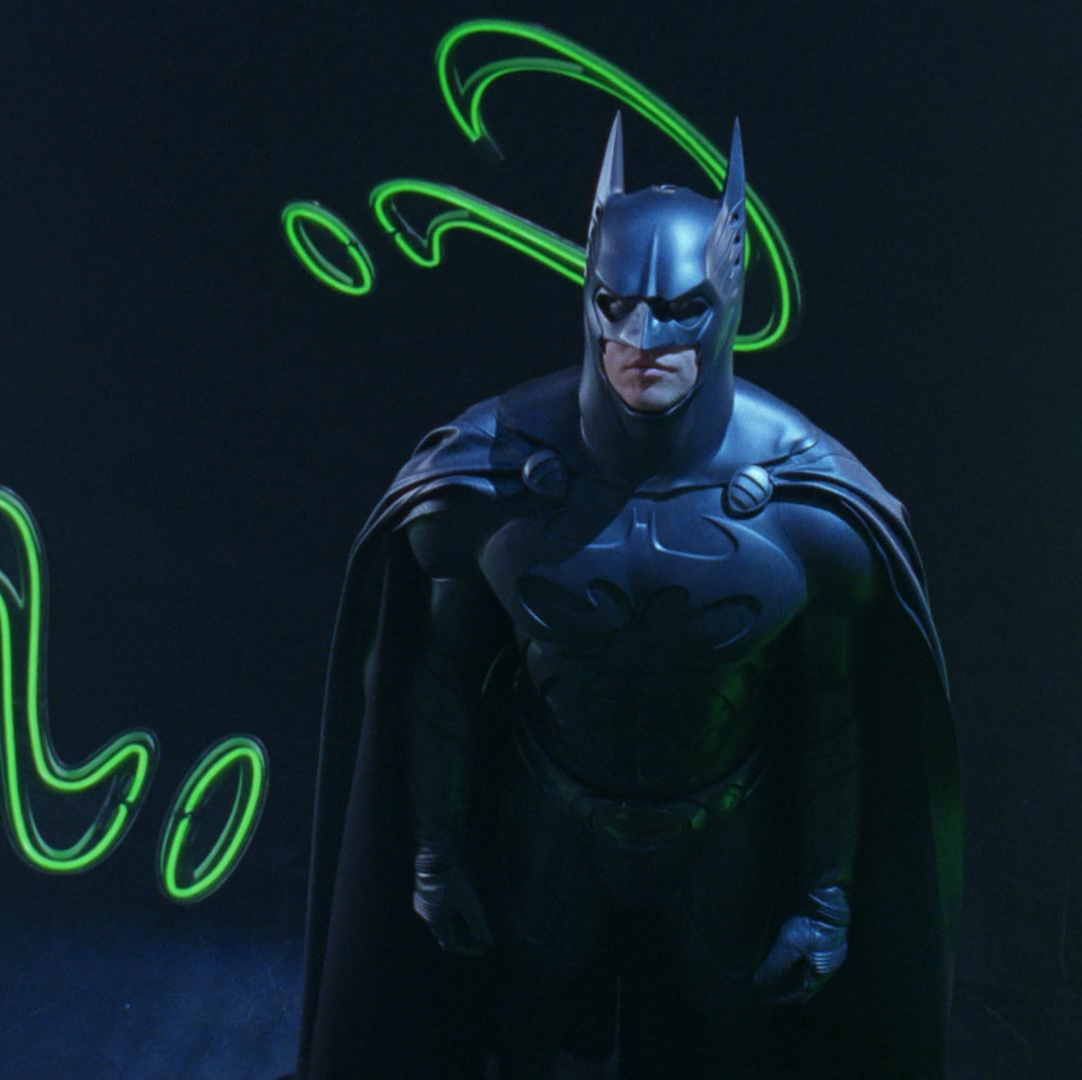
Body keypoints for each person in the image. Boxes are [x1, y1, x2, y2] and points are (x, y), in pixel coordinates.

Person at [293, 114, 961, 1079]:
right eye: (617, 305)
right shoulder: (494, 477)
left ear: (726, 301)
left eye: (680, 309)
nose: (643, 339)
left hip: (727, 820)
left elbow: (833, 712)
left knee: (734, 1037)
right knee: (521, 1022)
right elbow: (437, 678)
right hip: (550, 812)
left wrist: (826, 899)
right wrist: (435, 852)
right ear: (589, 296)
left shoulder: (810, 509)